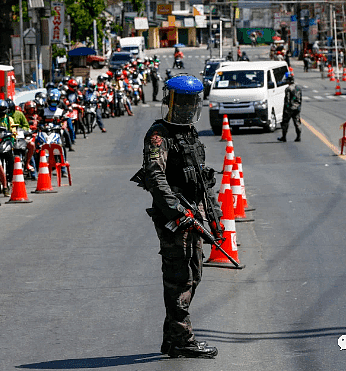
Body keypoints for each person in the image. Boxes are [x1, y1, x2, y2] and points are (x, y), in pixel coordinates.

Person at [139, 75, 221, 358]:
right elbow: (155, 176)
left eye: (191, 103)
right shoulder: (159, 134)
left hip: (194, 215)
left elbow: (202, 180)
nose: (187, 109)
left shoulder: (190, 133)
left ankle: (172, 339)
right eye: (182, 103)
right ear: (170, 102)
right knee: (179, 279)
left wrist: (215, 220)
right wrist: (177, 210)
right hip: (175, 219)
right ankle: (183, 339)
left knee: (193, 276)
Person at [278, 72, 302, 142]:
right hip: (297, 108)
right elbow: (300, 99)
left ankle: (284, 137)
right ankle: (298, 137)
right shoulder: (298, 88)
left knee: (285, 123)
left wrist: (286, 109)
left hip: (289, 109)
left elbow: (287, 101)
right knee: (297, 122)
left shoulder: (288, 89)